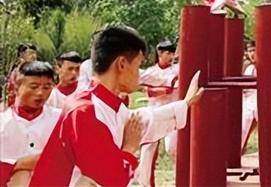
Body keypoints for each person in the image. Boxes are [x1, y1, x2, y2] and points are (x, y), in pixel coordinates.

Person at [29, 25, 203, 187]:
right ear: (121, 64)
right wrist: (129, 149)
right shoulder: (84, 111)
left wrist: (185, 104)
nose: (139, 75)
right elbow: (112, 178)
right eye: (138, 66)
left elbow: (142, 121)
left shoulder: (107, 105)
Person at [1, 62, 60, 186]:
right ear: (16, 87)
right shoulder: (3, 123)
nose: (40, 93)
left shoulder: (60, 120)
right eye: (34, 87)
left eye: (47, 87)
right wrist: (20, 165)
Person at [136, 39, 180, 187]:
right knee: (147, 151)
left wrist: (158, 88)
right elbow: (138, 85)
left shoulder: (177, 69)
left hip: (172, 113)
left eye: (173, 53)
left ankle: (181, 181)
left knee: (173, 148)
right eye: (168, 53)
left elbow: (172, 86)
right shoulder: (150, 71)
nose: (171, 56)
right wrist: (156, 90)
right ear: (160, 53)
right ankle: (146, 184)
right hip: (154, 113)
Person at [241, 42, 258, 153]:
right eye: (250, 51)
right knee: (243, 130)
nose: (252, 53)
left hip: (258, 100)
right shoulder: (248, 67)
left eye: (254, 50)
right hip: (248, 100)